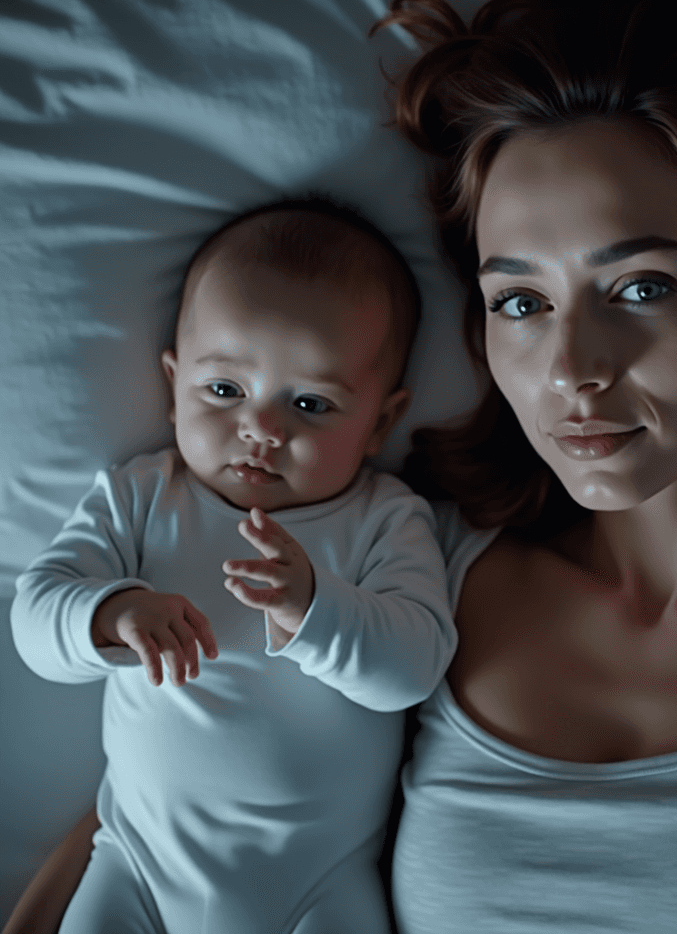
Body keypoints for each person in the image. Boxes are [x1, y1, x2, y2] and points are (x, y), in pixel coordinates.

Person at [7, 0, 677, 932]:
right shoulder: (419, 568)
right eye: (521, 303)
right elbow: (176, 812)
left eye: (639, 288)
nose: (572, 369)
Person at [8, 197, 455, 934]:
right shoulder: (142, 497)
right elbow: (35, 613)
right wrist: (109, 614)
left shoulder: (386, 518)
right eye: (224, 391)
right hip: (138, 865)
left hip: (320, 885)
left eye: (311, 403)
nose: (262, 430)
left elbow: (414, 666)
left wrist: (316, 607)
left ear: (381, 420)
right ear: (173, 383)